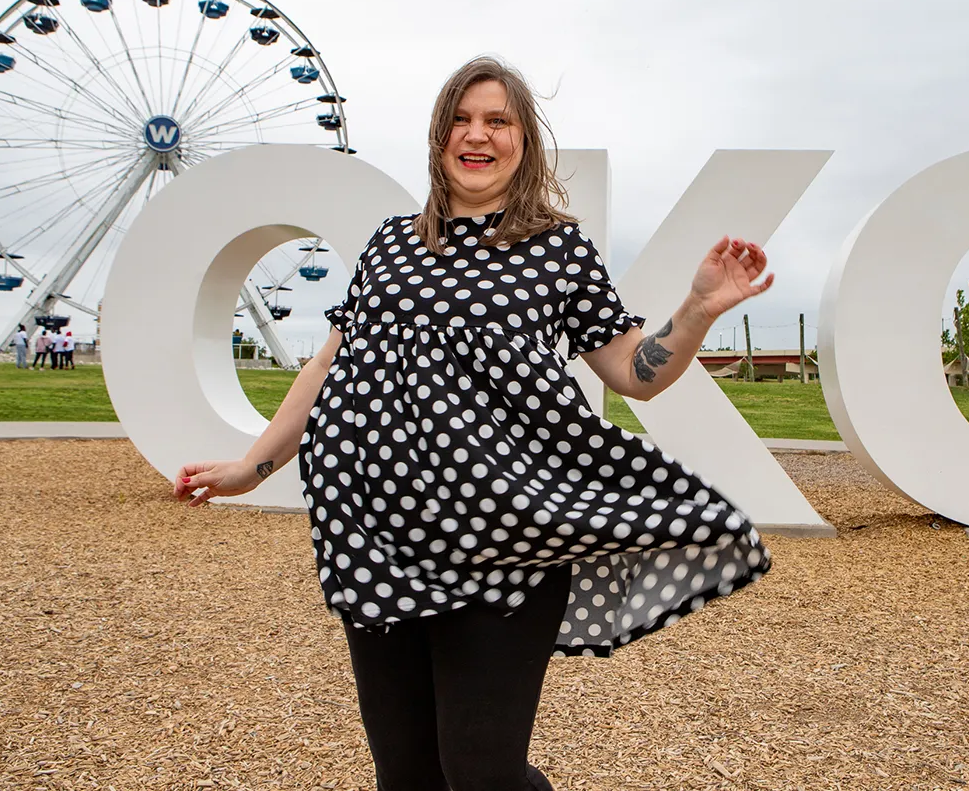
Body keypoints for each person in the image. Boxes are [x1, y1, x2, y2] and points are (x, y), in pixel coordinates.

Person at [174, 57, 775, 791]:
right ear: (438, 137)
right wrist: (252, 465)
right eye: (461, 118)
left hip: (504, 542)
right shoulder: (391, 245)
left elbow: (630, 369)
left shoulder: (557, 248)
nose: (476, 134)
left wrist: (697, 310)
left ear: (524, 140)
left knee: (481, 771)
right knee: (407, 773)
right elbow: (328, 365)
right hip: (376, 536)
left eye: (497, 120)